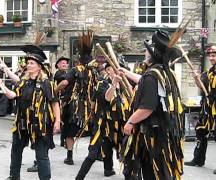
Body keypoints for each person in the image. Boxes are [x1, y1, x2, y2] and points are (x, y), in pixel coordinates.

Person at [122, 30, 185, 179]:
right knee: (162, 172)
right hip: (164, 134)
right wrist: (125, 72)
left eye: (146, 50)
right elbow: (144, 81)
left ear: (151, 54)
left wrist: (130, 122)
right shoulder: (165, 72)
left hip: (153, 137)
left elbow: (147, 108)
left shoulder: (151, 76)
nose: (145, 52)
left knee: (152, 173)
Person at [0, 45, 61, 180]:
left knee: (41, 155)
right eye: (28, 63)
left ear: (39, 67)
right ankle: (14, 176)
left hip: (40, 124)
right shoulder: (23, 82)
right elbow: (12, 95)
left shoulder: (47, 83)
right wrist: (1, 85)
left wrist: (57, 122)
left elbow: (55, 103)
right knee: (16, 151)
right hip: (22, 123)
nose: (28, 65)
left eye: (32, 63)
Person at [76, 62, 129, 179]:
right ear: (108, 70)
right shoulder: (102, 84)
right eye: (113, 69)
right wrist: (114, 83)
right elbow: (106, 97)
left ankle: (110, 170)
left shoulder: (125, 86)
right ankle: (78, 178)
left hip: (120, 125)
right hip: (103, 125)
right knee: (93, 154)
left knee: (126, 151)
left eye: (118, 69)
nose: (116, 71)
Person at [56, 31, 97, 165]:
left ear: (79, 58)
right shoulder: (94, 72)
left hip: (74, 107)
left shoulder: (75, 70)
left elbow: (65, 83)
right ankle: (95, 154)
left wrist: (54, 90)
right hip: (90, 106)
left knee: (69, 132)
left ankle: (69, 157)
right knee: (94, 130)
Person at [185, 45, 216, 174]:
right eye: (210, 55)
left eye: (214, 55)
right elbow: (201, 86)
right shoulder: (208, 72)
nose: (211, 58)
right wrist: (196, 78)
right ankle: (198, 159)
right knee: (200, 131)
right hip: (207, 108)